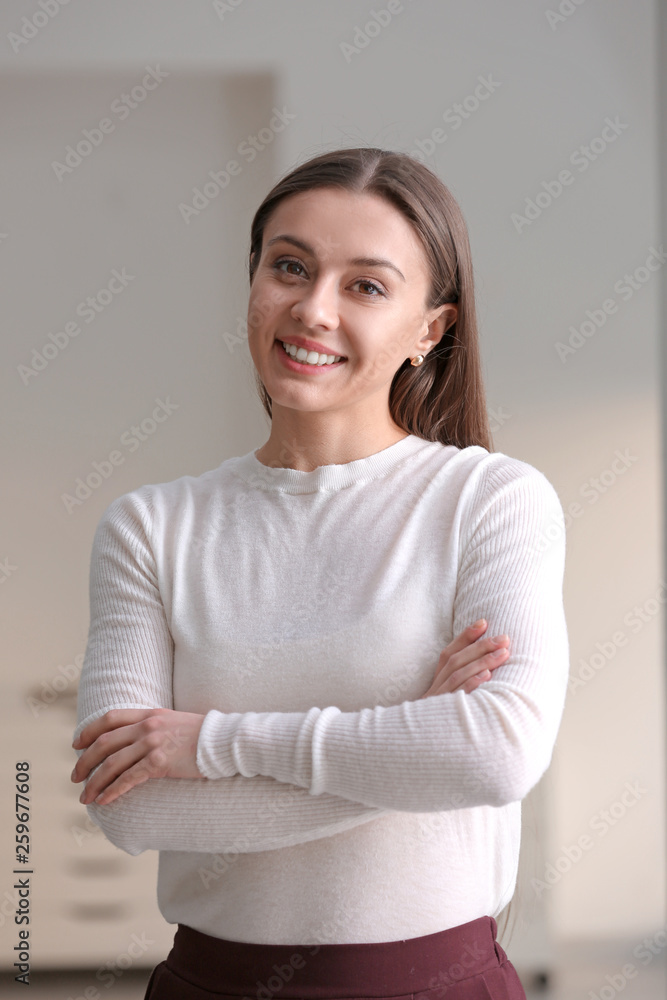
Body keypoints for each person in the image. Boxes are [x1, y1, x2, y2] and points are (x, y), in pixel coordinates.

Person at [71, 147, 569, 1000]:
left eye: (366, 286)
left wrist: (210, 746)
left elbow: (494, 755)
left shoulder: (490, 501)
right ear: (253, 279)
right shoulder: (150, 527)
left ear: (430, 329)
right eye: (289, 266)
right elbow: (130, 807)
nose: (311, 309)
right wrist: (412, 731)